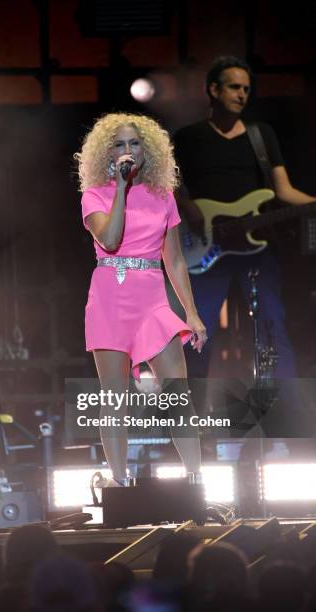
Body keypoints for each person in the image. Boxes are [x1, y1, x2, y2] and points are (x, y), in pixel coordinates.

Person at [173, 56, 315, 419]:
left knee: (273, 326)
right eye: (234, 87)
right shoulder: (188, 137)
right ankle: (187, 419)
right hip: (204, 250)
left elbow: (282, 191)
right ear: (213, 90)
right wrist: (190, 212)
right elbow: (168, 186)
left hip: (254, 249)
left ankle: (288, 414)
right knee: (195, 333)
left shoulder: (260, 135)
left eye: (246, 89)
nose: (242, 95)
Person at [75, 113, 207, 485]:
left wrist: (192, 315)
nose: (127, 150)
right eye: (119, 144)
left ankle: (195, 480)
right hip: (110, 296)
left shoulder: (164, 197)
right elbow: (111, 240)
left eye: (135, 144)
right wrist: (119, 188)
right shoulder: (94, 195)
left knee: (178, 396)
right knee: (114, 401)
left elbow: (176, 260)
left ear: (148, 151)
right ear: (107, 152)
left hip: (152, 298)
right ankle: (119, 484)